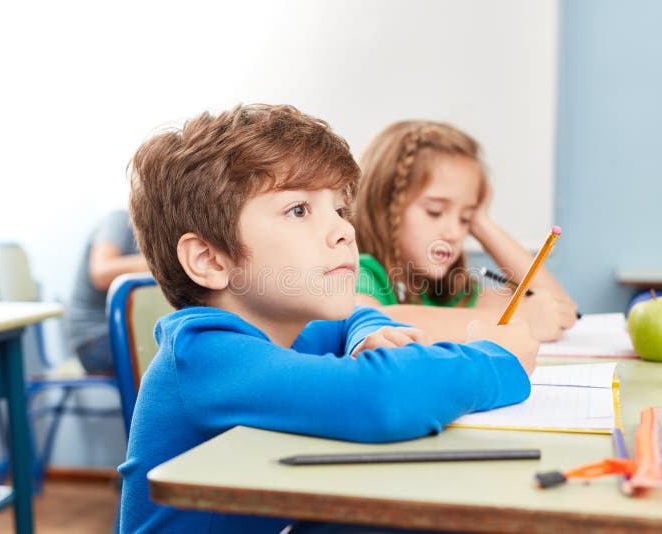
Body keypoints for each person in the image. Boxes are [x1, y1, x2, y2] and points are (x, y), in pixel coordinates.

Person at [119, 104, 539, 533]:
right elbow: (381, 397)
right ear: (209, 259)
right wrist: (497, 357)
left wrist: (371, 331)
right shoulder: (205, 356)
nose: (345, 231)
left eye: (339, 210)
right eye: (299, 210)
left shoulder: (288, 330)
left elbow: (353, 316)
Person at [353, 120, 578, 343]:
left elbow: (556, 309)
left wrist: (481, 223)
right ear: (384, 206)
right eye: (435, 211)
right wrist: (520, 319)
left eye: (464, 219)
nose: (454, 233)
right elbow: (378, 323)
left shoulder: (444, 292)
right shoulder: (356, 272)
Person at [66, 209, 149, 373]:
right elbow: (101, 272)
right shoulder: (119, 220)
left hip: (119, 333)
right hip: (95, 338)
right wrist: (163, 263)